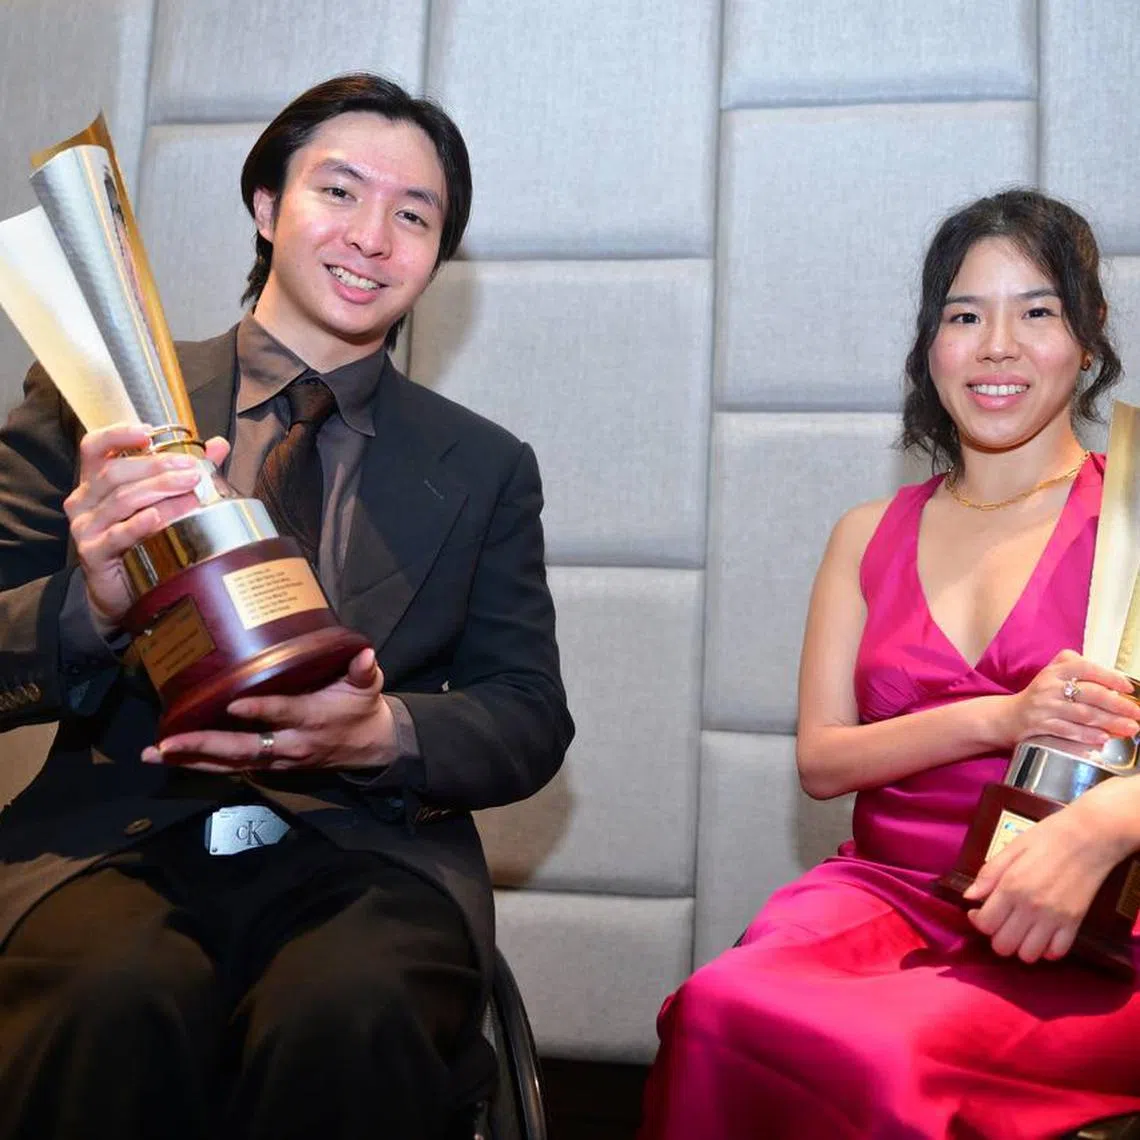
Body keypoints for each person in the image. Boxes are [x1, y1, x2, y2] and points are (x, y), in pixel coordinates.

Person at [0, 73, 573, 1140]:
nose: (372, 237)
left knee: (345, 1014)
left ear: (438, 255)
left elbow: (528, 713)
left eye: (415, 215)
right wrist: (96, 604)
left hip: (368, 854)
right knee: (106, 999)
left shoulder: (489, 467)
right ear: (266, 205)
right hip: (116, 840)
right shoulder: (101, 398)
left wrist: (381, 730)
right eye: (339, 192)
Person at [637, 189, 1140, 1139]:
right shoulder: (866, 533)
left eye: (1036, 311)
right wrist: (999, 717)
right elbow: (824, 762)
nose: (998, 345)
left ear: (1087, 336)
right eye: (964, 315)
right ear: (929, 348)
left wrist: (1114, 819)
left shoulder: (1138, 516)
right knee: (719, 1006)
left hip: (1089, 914)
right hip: (887, 893)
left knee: (880, 1060)